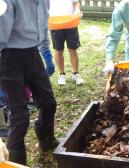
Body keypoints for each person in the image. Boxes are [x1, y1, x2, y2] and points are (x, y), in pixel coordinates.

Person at [0, 0, 59, 165]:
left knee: (48, 102)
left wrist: (45, 50)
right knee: (19, 117)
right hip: (9, 56)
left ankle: (47, 139)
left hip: (33, 53)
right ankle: (15, 163)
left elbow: (43, 25)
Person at [49, 0, 84, 85]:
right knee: (58, 50)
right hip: (55, 23)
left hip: (71, 22)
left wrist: (77, 10)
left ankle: (76, 74)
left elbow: (75, 2)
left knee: (73, 49)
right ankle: (62, 75)